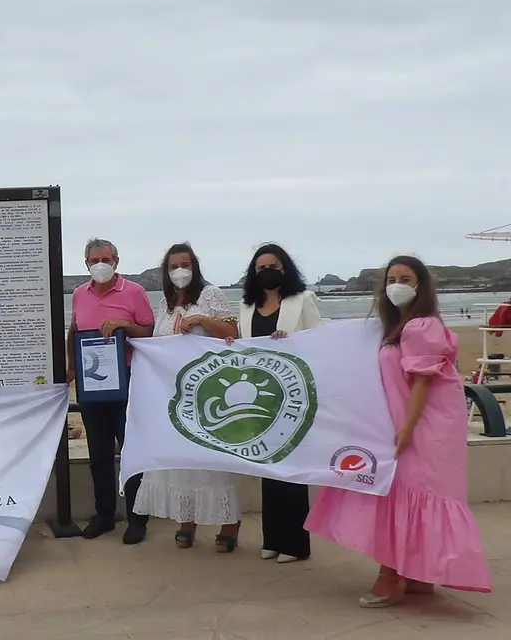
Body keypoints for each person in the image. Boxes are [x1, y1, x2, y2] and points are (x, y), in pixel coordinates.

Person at [305, 256, 491, 607]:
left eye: (406, 278)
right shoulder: (394, 326)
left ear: (420, 285)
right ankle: (418, 574)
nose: (397, 284)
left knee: (405, 491)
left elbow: (422, 382)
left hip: (424, 424)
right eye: (391, 278)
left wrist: (406, 428)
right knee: (408, 491)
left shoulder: (421, 327)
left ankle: (390, 575)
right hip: (406, 420)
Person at [132, 244, 242, 552]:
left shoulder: (210, 295)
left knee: (212, 460)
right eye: (173, 266)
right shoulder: (166, 304)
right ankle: (187, 518)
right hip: (175, 395)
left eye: (185, 264)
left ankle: (230, 521)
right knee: (181, 458)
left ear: (195, 266)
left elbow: (234, 331)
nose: (180, 270)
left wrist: (202, 321)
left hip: (207, 392)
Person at [67, 238, 154, 543]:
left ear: (116, 261)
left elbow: (148, 331)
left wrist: (122, 324)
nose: (100, 264)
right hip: (92, 385)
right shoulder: (79, 294)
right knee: (99, 453)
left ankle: (137, 518)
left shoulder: (135, 292)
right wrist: (71, 367)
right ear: (86, 263)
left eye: (106, 259)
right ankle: (104, 516)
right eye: (94, 260)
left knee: (130, 450)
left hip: (127, 379)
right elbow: (75, 331)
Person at [238, 243, 322, 564]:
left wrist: (294, 342)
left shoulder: (302, 301)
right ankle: (272, 537)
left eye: (273, 266)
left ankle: (295, 543)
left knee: (292, 472)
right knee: (267, 468)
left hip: (294, 395)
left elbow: (319, 340)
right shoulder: (247, 307)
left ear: (285, 269)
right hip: (262, 397)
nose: (267, 272)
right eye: (260, 268)